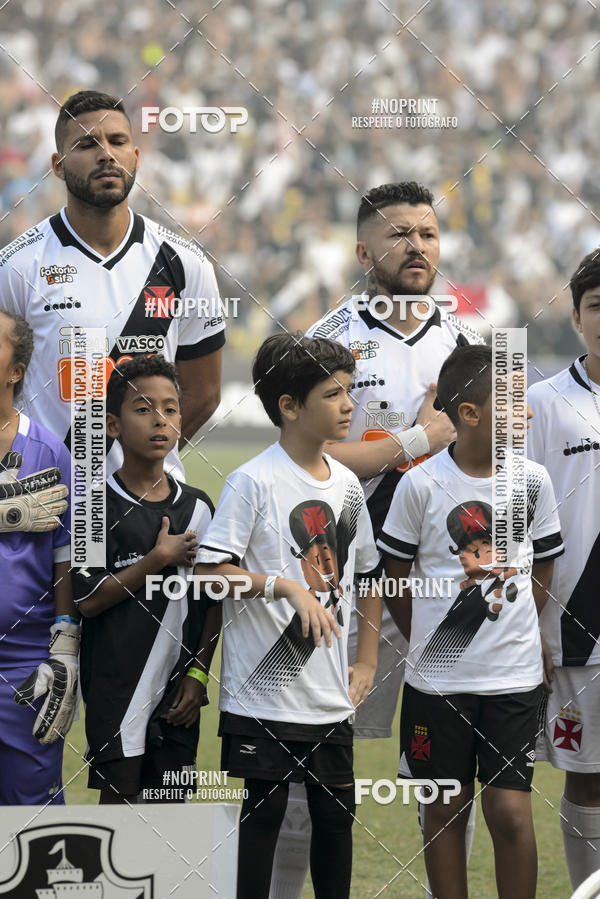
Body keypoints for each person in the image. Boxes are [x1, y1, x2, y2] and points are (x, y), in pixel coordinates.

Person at [271, 181, 482, 898]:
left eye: (426, 232)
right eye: (398, 234)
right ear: (365, 250)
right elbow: (309, 462)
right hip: (345, 580)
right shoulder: (331, 341)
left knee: (444, 772)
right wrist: (423, 436)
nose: (415, 245)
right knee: (308, 765)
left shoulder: (470, 346)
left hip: (442, 590)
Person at [195, 333, 382, 899]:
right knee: (264, 822)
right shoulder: (254, 480)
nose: (349, 405)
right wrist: (284, 587)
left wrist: (367, 660)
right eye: (333, 394)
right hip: (263, 697)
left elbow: (368, 574)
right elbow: (209, 572)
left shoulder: (349, 485)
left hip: (329, 699)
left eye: (350, 391)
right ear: (289, 405)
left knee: (333, 826)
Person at [378, 344, 564, 899]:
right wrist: (433, 646)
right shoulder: (420, 484)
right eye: (513, 401)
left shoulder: (533, 480)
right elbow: (394, 574)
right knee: (446, 808)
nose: (527, 412)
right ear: (471, 414)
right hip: (438, 685)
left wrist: (521, 632)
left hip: (513, 681)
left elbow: (544, 567)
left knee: (509, 812)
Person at [0, 90, 224, 478]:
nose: (106, 153)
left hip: (153, 513)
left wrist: (142, 466)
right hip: (48, 501)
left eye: (118, 141)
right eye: (87, 144)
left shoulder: (185, 264)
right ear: (57, 164)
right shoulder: (15, 266)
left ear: (135, 158)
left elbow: (204, 393)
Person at [70, 355, 221, 803]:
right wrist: (157, 557)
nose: (160, 420)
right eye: (143, 409)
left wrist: (198, 675)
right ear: (114, 426)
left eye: (171, 409)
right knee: (118, 826)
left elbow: (213, 602)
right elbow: (88, 600)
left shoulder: (198, 508)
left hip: (179, 698)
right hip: (117, 696)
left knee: (170, 827)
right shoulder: (93, 506)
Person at [527, 249, 600, 889]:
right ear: (576, 316)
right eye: (597, 305)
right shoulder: (542, 405)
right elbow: (511, 517)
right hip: (577, 626)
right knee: (590, 773)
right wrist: (531, 623)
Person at [0, 309, 77, 805]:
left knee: (32, 823)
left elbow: (65, 556)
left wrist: (65, 645)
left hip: (24, 662)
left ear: (15, 369)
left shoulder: (50, 451)